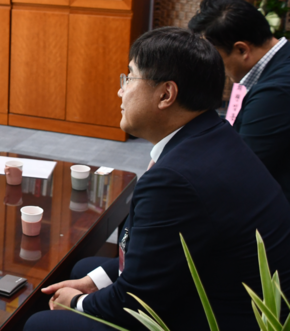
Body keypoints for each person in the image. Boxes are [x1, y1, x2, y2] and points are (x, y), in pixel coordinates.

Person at [24, 27, 290, 331]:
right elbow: (163, 252)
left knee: (41, 324)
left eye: (129, 78)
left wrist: (76, 302)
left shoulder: (174, 179)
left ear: (166, 94)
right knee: (88, 269)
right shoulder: (215, 134)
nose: (121, 91)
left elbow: (135, 303)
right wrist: (93, 283)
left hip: (222, 318)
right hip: (238, 293)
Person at [188, 0, 290, 201]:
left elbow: (241, 170)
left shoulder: (274, 93)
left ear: (242, 49)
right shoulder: (281, 61)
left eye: (215, 58)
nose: (214, 67)